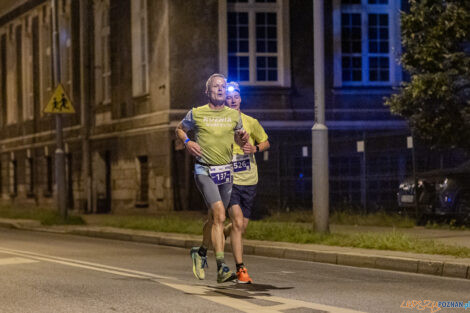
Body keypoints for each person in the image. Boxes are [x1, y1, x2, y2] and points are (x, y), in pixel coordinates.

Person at [175, 73, 248, 283]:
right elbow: (179, 129)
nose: (220, 89)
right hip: (204, 170)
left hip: (225, 172)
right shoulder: (197, 113)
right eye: (216, 87)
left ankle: (200, 253)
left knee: (215, 219)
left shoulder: (234, 116)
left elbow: (240, 138)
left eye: (223, 87)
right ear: (207, 91)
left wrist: (243, 139)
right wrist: (188, 142)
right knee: (219, 214)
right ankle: (221, 266)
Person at [223, 82, 270, 283]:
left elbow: (266, 142)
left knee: (240, 227)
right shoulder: (220, 123)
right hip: (229, 180)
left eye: (236, 97)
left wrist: (256, 149)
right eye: (228, 97)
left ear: (240, 99)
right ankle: (241, 269)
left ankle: (216, 235)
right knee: (238, 222)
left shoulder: (251, 122)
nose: (232, 100)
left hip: (250, 179)